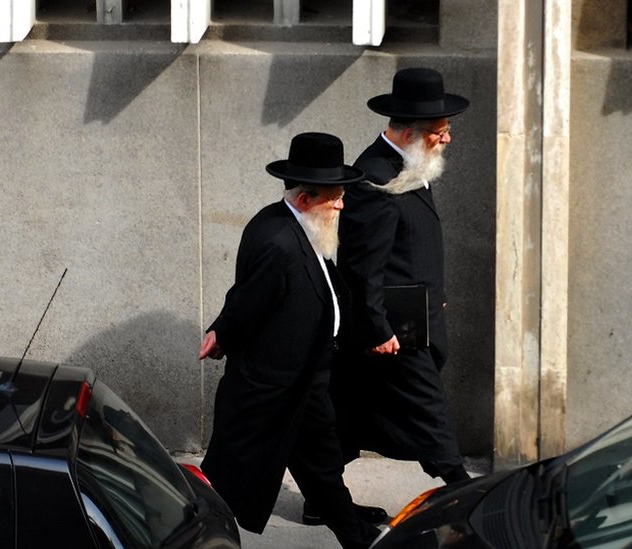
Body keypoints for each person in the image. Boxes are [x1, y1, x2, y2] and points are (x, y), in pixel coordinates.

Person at [198, 132, 380, 549]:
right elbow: (248, 297)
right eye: (335, 197)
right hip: (274, 387)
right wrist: (223, 332)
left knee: (322, 465)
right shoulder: (278, 242)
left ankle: (354, 534)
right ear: (305, 199)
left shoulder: (300, 226)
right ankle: (185, 529)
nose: (341, 205)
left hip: (307, 377)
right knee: (230, 476)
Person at [312, 68, 471, 523]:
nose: (447, 139)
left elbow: (408, 246)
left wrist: (433, 294)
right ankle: (467, 490)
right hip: (392, 328)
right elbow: (362, 265)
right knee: (427, 406)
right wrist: (379, 327)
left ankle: (320, 501)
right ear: (407, 132)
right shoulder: (377, 178)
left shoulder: (410, 165)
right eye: (440, 133)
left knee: (349, 411)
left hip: (410, 315)